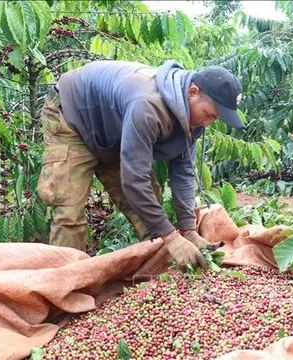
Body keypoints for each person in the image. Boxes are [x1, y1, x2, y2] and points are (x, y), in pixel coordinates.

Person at [37, 60, 244, 269]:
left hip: (114, 133)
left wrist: (188, 230)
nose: (208, 122)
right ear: (193, 92)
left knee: (149, 209)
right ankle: (64, 284)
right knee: (69, 211)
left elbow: (183, 173)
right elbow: (135, 181)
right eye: (209, 114)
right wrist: (172, 238)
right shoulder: (148, 104)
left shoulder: (191, 118)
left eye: (214, 119)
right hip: (72, 119)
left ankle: (158, 274)